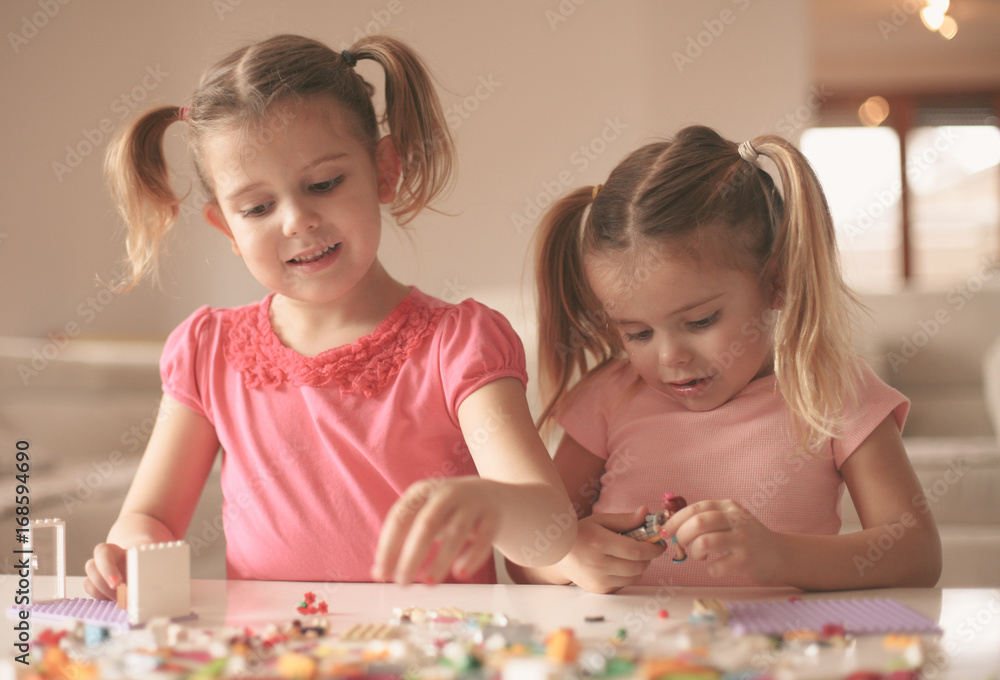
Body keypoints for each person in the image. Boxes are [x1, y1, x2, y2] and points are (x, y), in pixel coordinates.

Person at [84, 33, 576, 597]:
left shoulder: (459, 344)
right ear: (227, 229)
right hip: (267, 643)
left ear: (384, 170)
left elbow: (552, 532)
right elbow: (150, 518)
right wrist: (130, 550)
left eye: (323, 184)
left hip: (431, 639)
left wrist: (493, 503)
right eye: (257, 208)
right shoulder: (207, 350)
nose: (297, 220)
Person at [507, 126, 941, 593]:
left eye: (700, 321)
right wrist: (566, 560)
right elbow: (527, 557)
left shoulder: (832, 389)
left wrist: (780, 555)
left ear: (776, 282)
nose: (671, 356)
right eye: (638, 333)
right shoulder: (607, 397)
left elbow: (916, 553)